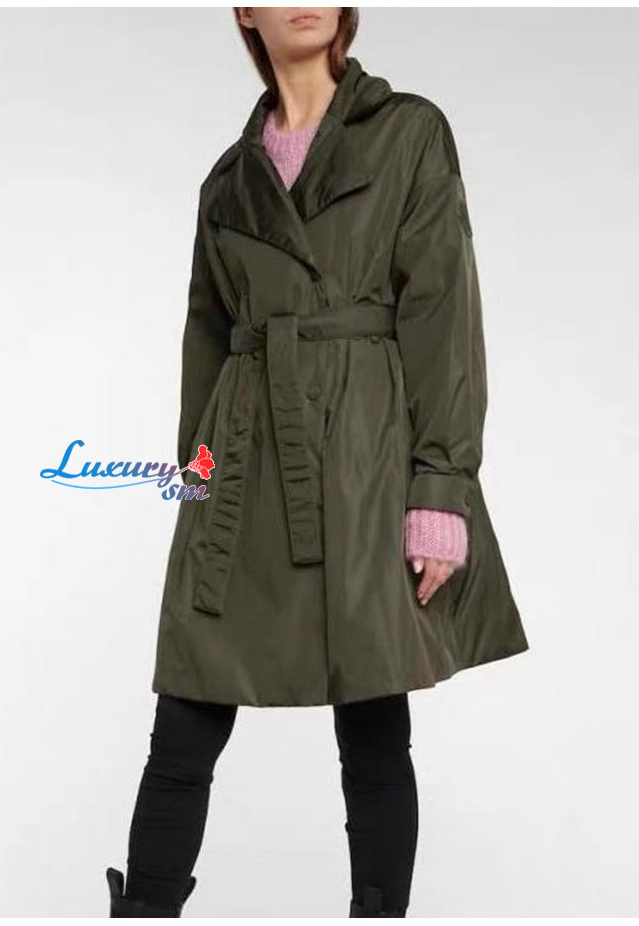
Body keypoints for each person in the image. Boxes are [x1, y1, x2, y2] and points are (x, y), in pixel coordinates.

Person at [106, 7, 529, 918]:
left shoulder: (408, 131)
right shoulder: (228, 181)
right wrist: (197, 483)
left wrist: (441, 489)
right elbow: (205, 344)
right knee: (184, 720)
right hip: (243, 460)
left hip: (364, 456)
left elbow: (443, 314)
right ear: (242, 11)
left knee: (372, 726)